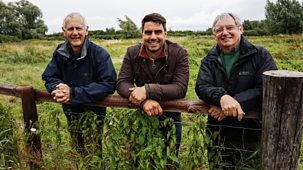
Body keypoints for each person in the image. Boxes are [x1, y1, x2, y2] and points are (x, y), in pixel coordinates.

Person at [195, 12, 277, 169]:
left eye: (230, 28)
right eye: (219, 30)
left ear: (241, 29)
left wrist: (233, 103)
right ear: (214, 34)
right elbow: (201, 86)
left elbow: (265, 88)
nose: (224, 33)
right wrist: (222, 97)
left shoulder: (260, 55)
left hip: (250, 131)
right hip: (217, 132)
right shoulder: (209, 58)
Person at [42, 12, 117, 155]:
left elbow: (109, 83)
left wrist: (73, 93)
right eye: (70, 29)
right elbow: (49, 76)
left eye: (79, 28)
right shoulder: (59, 52)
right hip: (71, 111)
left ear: (86, 30)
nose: (75, 33)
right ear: (64, 32)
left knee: (95, 149)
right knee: (77, 147)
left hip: (95, 113)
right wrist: (58, 88)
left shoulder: (99, 54)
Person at [116, 13, 189, 155]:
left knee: (170, 158)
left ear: (165, 33)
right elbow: (122, 82)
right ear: (142, 34)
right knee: (142, 158)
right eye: (148, 32)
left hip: (171, 117)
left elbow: (180, 88)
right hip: (142, 117)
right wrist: (144, 101)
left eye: (158, 32)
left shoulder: (179, 53)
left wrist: (147, 90)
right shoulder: (132, 52)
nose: (153, 37)